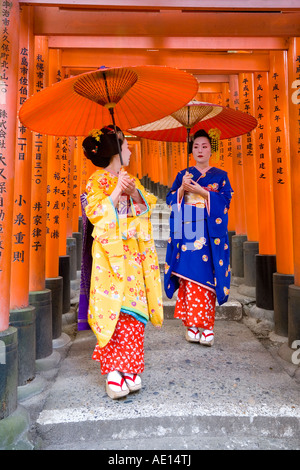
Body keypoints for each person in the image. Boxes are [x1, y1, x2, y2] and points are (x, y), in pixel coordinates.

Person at [79, 125, 163, 399]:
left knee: (133, 311)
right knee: (113, 310)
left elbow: (145, 209)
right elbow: (96, 215)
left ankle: (131, 367)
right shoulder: (95, 181)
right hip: (110, 258)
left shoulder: (132, 179)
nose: (129, 150)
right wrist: (116, 190)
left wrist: (133, 192)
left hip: (134, 256)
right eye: (126, 146)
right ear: (116, 149)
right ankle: (113, 370)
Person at [164, 129, 233, 347]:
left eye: (204, 146)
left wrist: (204, 193)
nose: (200, 150)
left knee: (207, 278)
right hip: (187, 230)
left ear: (211, 149)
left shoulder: (221, 176)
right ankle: (192, 326)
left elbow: (226, 201)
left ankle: (208, 327)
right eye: (196, 146)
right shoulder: (183, 174)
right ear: (191, 150)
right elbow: (170, 199)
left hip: (209, 232)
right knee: (188, 276)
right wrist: (182, 189)